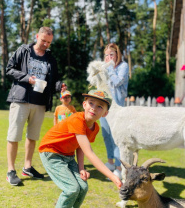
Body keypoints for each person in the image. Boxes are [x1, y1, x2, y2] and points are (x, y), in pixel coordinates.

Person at [39, 89, 122, 207]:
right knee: (71, 189)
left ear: (105, 113)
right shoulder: (77, 119)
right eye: (91, 103)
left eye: (100, 106)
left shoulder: (95, 128)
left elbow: (81, 147)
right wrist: (112, 176)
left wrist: (81, 168)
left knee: (82, 187)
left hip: (67, 155)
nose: (94, 108)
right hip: (51, 152)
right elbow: (89, 153)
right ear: (84, 104)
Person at [5, 26, 66, 186]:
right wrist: (27, 78)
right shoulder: (23, 51)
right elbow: (9, 70)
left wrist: (61, 86)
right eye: (43, 40)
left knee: (32, 137)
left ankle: (27, 167)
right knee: (14, 136)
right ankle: (11, 171)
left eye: (48, 42)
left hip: (39, 103)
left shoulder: (50, 58)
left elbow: (55, 80)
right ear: (37, 36)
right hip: (20, 99)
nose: (45, 44)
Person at [100, 43, 129, 178]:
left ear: (117, 55)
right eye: (106, 55)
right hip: (103, 105)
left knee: (116, 137)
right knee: (106, 134)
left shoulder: (123, 66)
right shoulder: (104, 67)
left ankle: (119, 167)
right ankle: (110, 162)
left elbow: (117, 82)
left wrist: (109, 68)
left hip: (117, 108)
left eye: (111, 54)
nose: (108, 57)